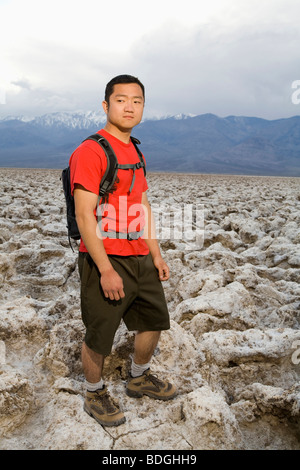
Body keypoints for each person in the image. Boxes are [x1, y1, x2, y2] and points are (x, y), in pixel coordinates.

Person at [69, 74, 176, 427]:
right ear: (106, 105)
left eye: (137, 100)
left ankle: (139, 376)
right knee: (100, 332)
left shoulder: (136, 151)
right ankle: (93, 391)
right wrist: (105, 269)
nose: (129, 106)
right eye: (121, 100)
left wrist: (156, 254)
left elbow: (142, 206)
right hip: (105, 256)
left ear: (143, 107)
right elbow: (85, 215)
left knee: (154, 320)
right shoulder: (91, 151)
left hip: (139, 255)